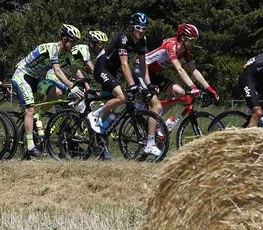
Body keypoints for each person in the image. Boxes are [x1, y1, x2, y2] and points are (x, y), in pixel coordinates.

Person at [88, 13, 163, 158]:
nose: (141, 31)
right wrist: (132, 84)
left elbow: (143, 65)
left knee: (113, 109)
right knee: (122, 96)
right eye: (138, 28)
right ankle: (95, 115)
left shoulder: (142, 41)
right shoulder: (123, 38)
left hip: (112, 72)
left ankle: (100, 143)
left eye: (144, 28)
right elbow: (124, 64)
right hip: (102, 68)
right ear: (132, 27)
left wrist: (148, 84)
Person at [12, 24, 83, 159]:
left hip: (37, 78)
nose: (74, 44)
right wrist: (71, 86)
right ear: (64, 39)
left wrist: (85, 84)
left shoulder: (67, 54)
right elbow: (57, 71)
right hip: (23, 75)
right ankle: (30, 146)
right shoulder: (52, 48)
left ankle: (38, 116)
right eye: (72, 41)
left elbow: (75, 69)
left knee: (56, 93)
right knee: (29, 109)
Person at [144, 23, 218, 101]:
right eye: (192, 40)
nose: (194, 44)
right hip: (141, 70)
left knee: (181, 94)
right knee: (156, 106)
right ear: (183, 38)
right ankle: (145, 111)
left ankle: (157, 113)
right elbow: (179, 69)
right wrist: (193, 87)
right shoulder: (171, 46)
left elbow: (194, 70)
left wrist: (209, 89)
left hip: (151, 74)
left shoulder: (184, 51)